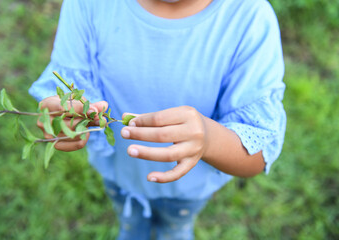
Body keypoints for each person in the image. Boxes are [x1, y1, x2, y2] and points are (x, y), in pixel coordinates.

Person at [29, 0, 286, 239]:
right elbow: (65, 85)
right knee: (130, 225)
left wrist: (209, 139)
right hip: (121, 176)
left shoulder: (250, 17)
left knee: (175, 229)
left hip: (189, 190)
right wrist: (65, 114)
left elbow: (257, 152)